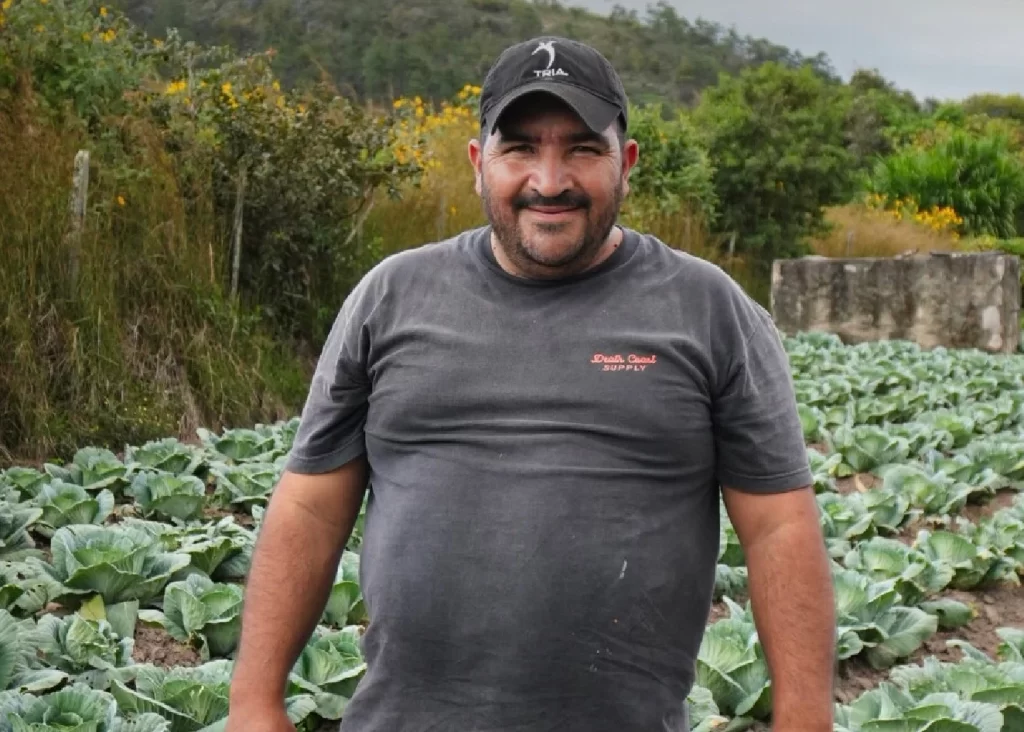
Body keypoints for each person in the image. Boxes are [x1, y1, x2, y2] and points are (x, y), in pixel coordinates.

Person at [225, 36, 836, 732]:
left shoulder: (710, 310)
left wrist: (805, 718)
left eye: (582, 148)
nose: (550, 181)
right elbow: (311, 508)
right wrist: (253, 699)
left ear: (626, 163)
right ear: (477, 163)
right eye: (519, 148)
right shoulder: (391, 296)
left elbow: (779, 527)